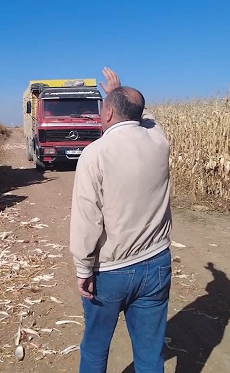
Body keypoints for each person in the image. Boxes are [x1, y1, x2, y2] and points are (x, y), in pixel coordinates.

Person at [70, 67, 172, 373]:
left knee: (95, 348)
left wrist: (83, 268)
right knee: (150, 353)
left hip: (111, 271)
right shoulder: (159, 142)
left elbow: (87, 219)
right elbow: (148, 119)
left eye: (104, 107)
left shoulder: (95, 153)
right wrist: (122, 92)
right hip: (156, 263)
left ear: (109, 112)